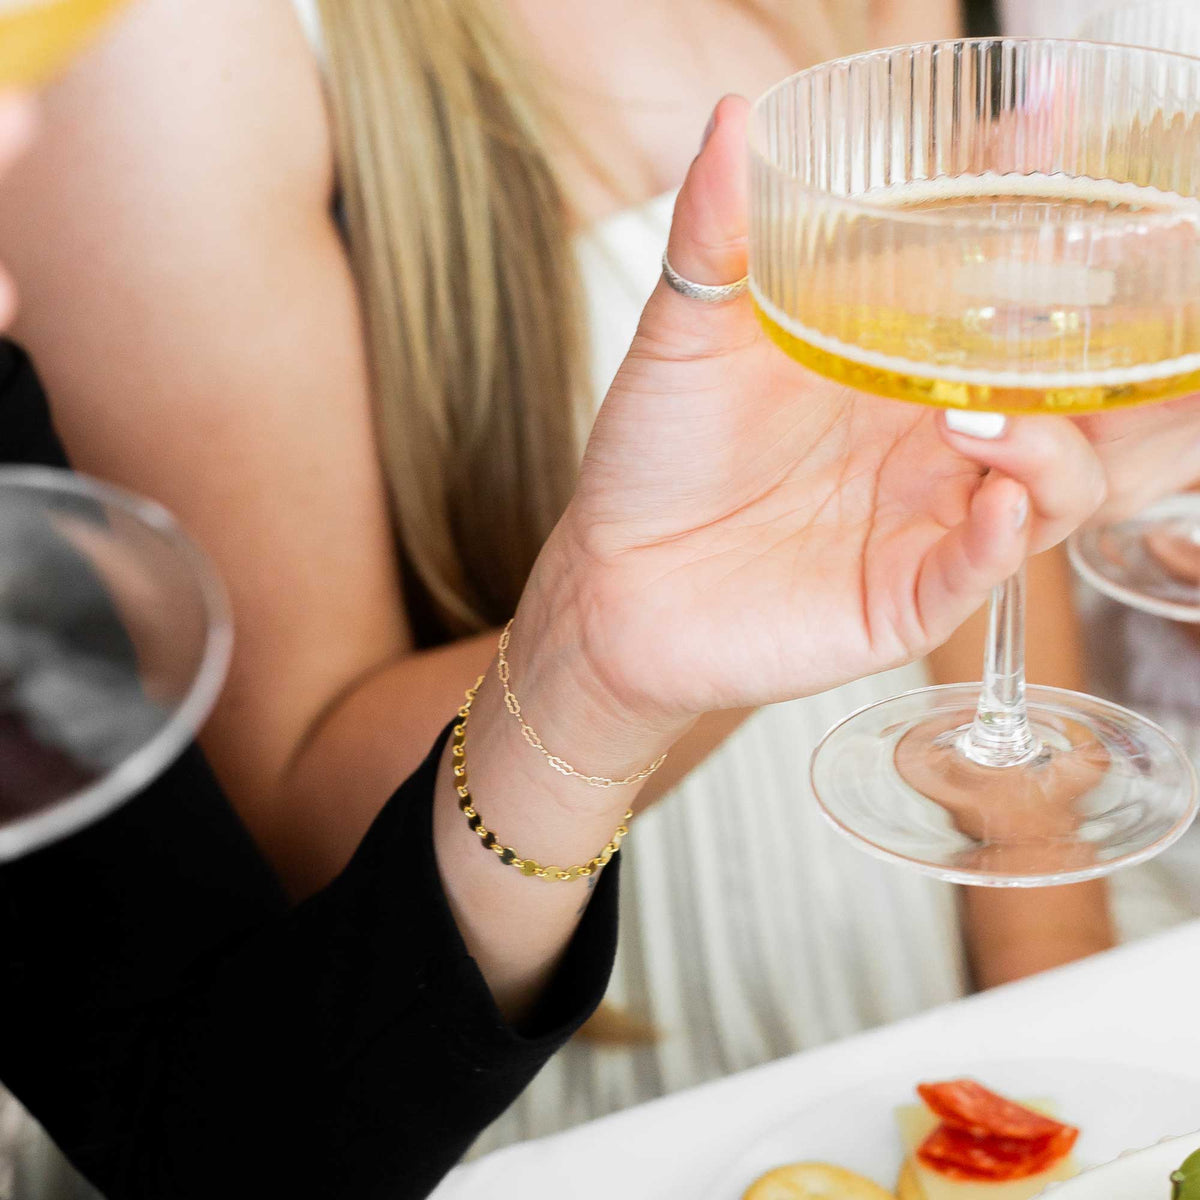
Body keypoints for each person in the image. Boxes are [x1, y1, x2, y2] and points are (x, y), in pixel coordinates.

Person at [0, 0, 1192, 1157]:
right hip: (550, 1087)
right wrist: (674, 634)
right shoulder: (175, 47)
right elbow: (300, 846)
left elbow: (976, 447)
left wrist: (1044, 983)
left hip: (928, 985)